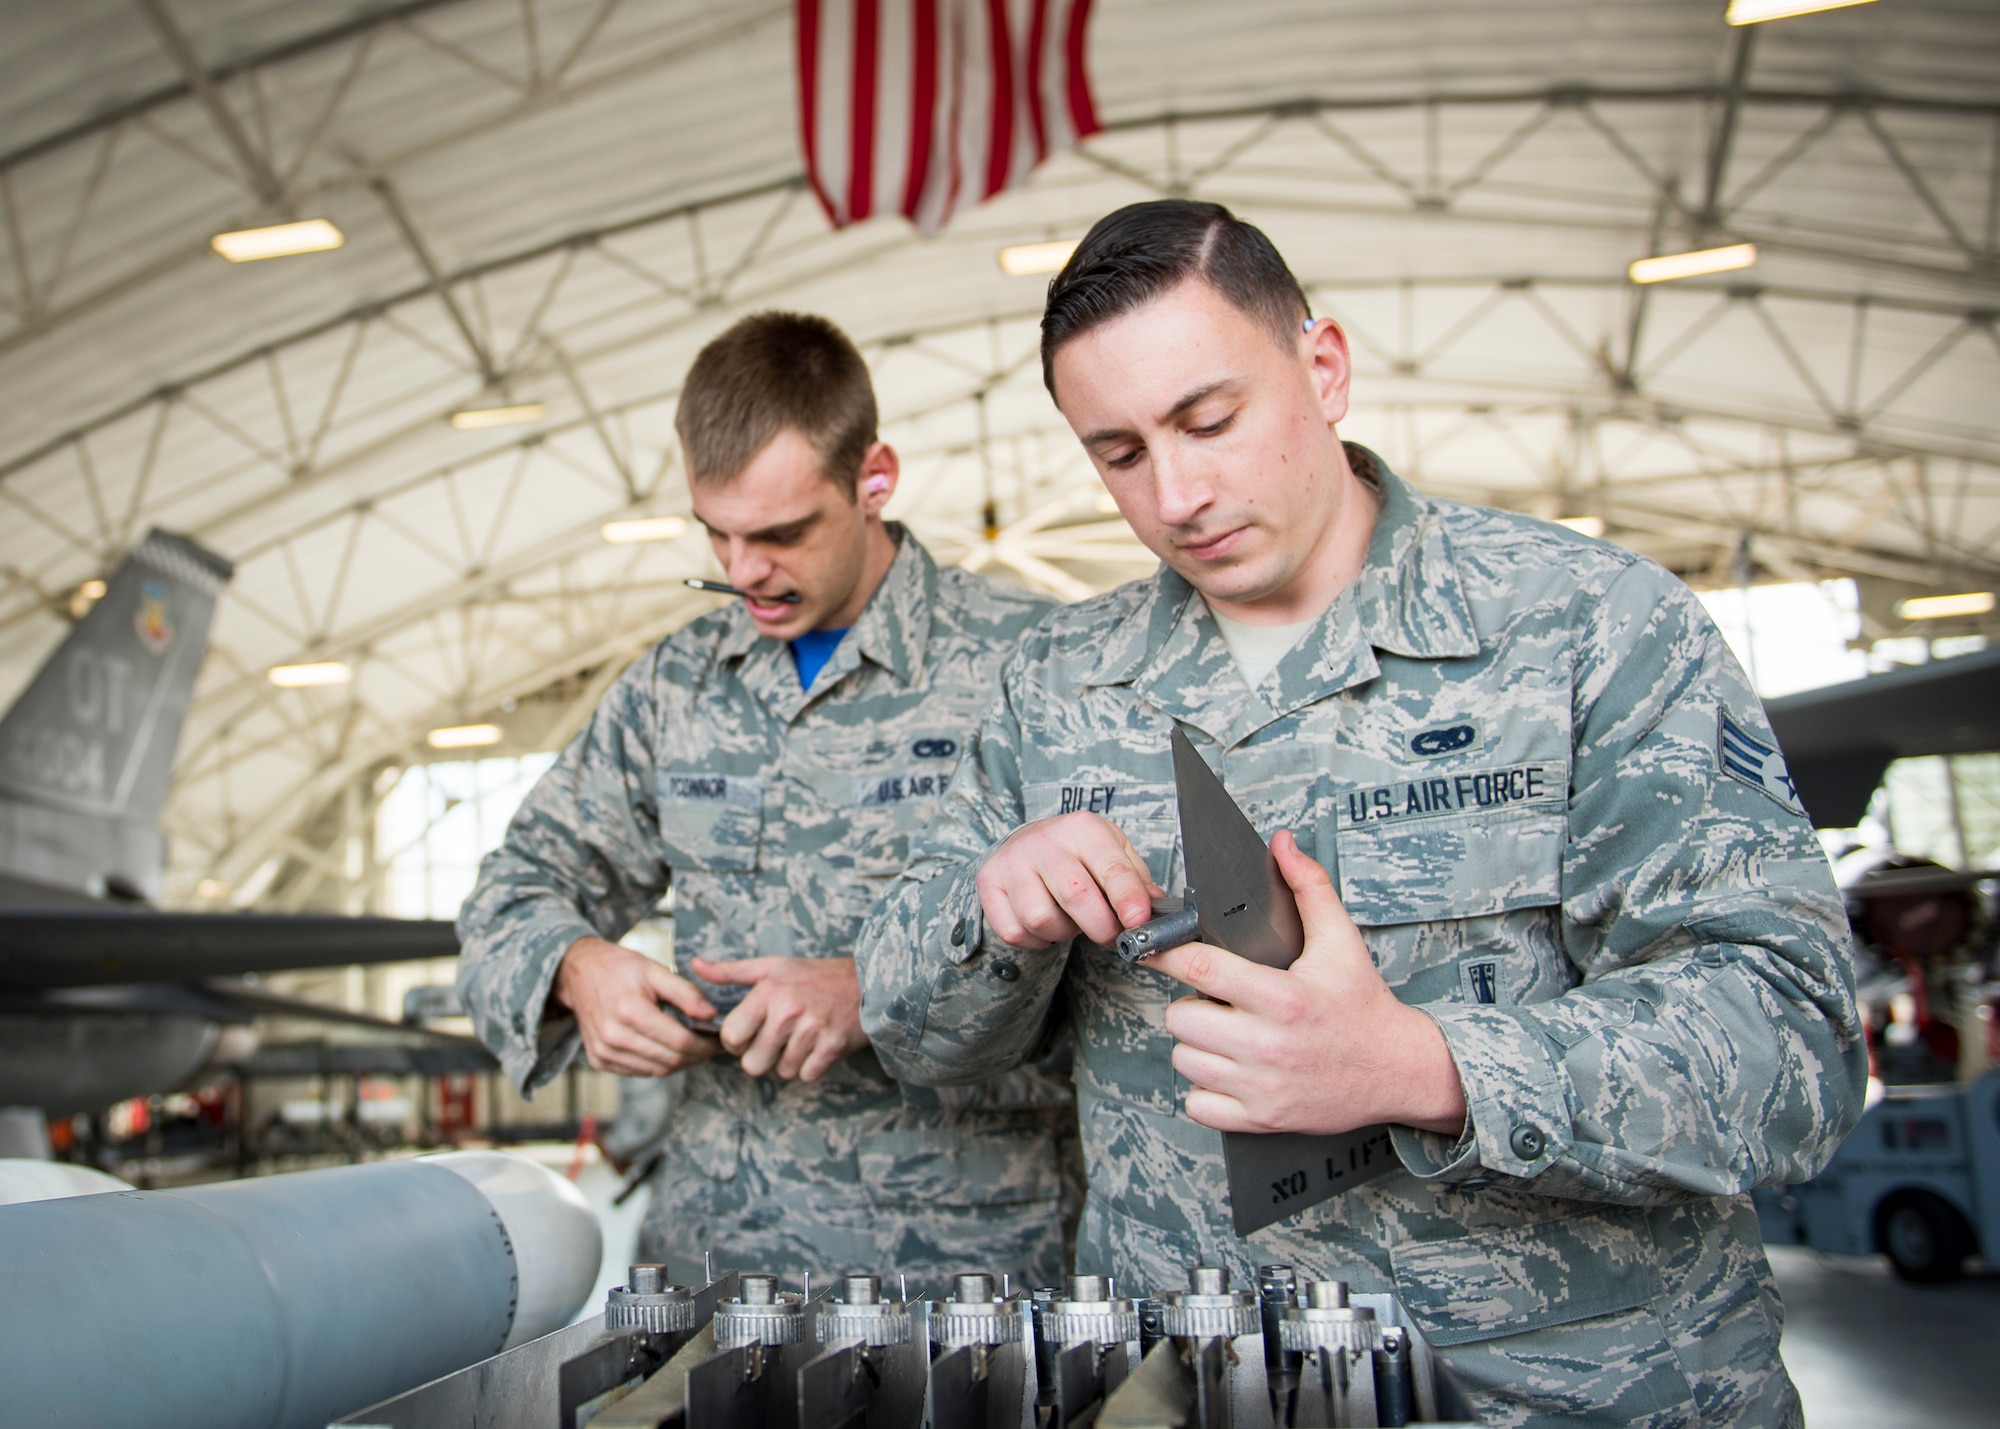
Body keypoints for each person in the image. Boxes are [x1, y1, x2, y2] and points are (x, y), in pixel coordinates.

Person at [856, 201, 1865, 1424]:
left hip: (1565, 1391)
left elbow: (1792, 1041)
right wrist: (990, 915)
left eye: (1209, 419)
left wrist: (1426, 1066)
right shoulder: (1054, 691)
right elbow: (914, 1035)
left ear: (1322, 368)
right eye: (1117, 453)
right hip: (1203, 1384)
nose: (1176, 492)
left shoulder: (1582, 627)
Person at [458, 311, 1075, 1284]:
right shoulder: (675, 689)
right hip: (718, 1266)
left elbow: (1132, 968)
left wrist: (876, 988)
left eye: (782, 534)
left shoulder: (1031, 667)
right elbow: (510, 893)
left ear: (874, 478)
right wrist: (577, 966)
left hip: (970, 1268)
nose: (743, 571)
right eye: (718, 532)